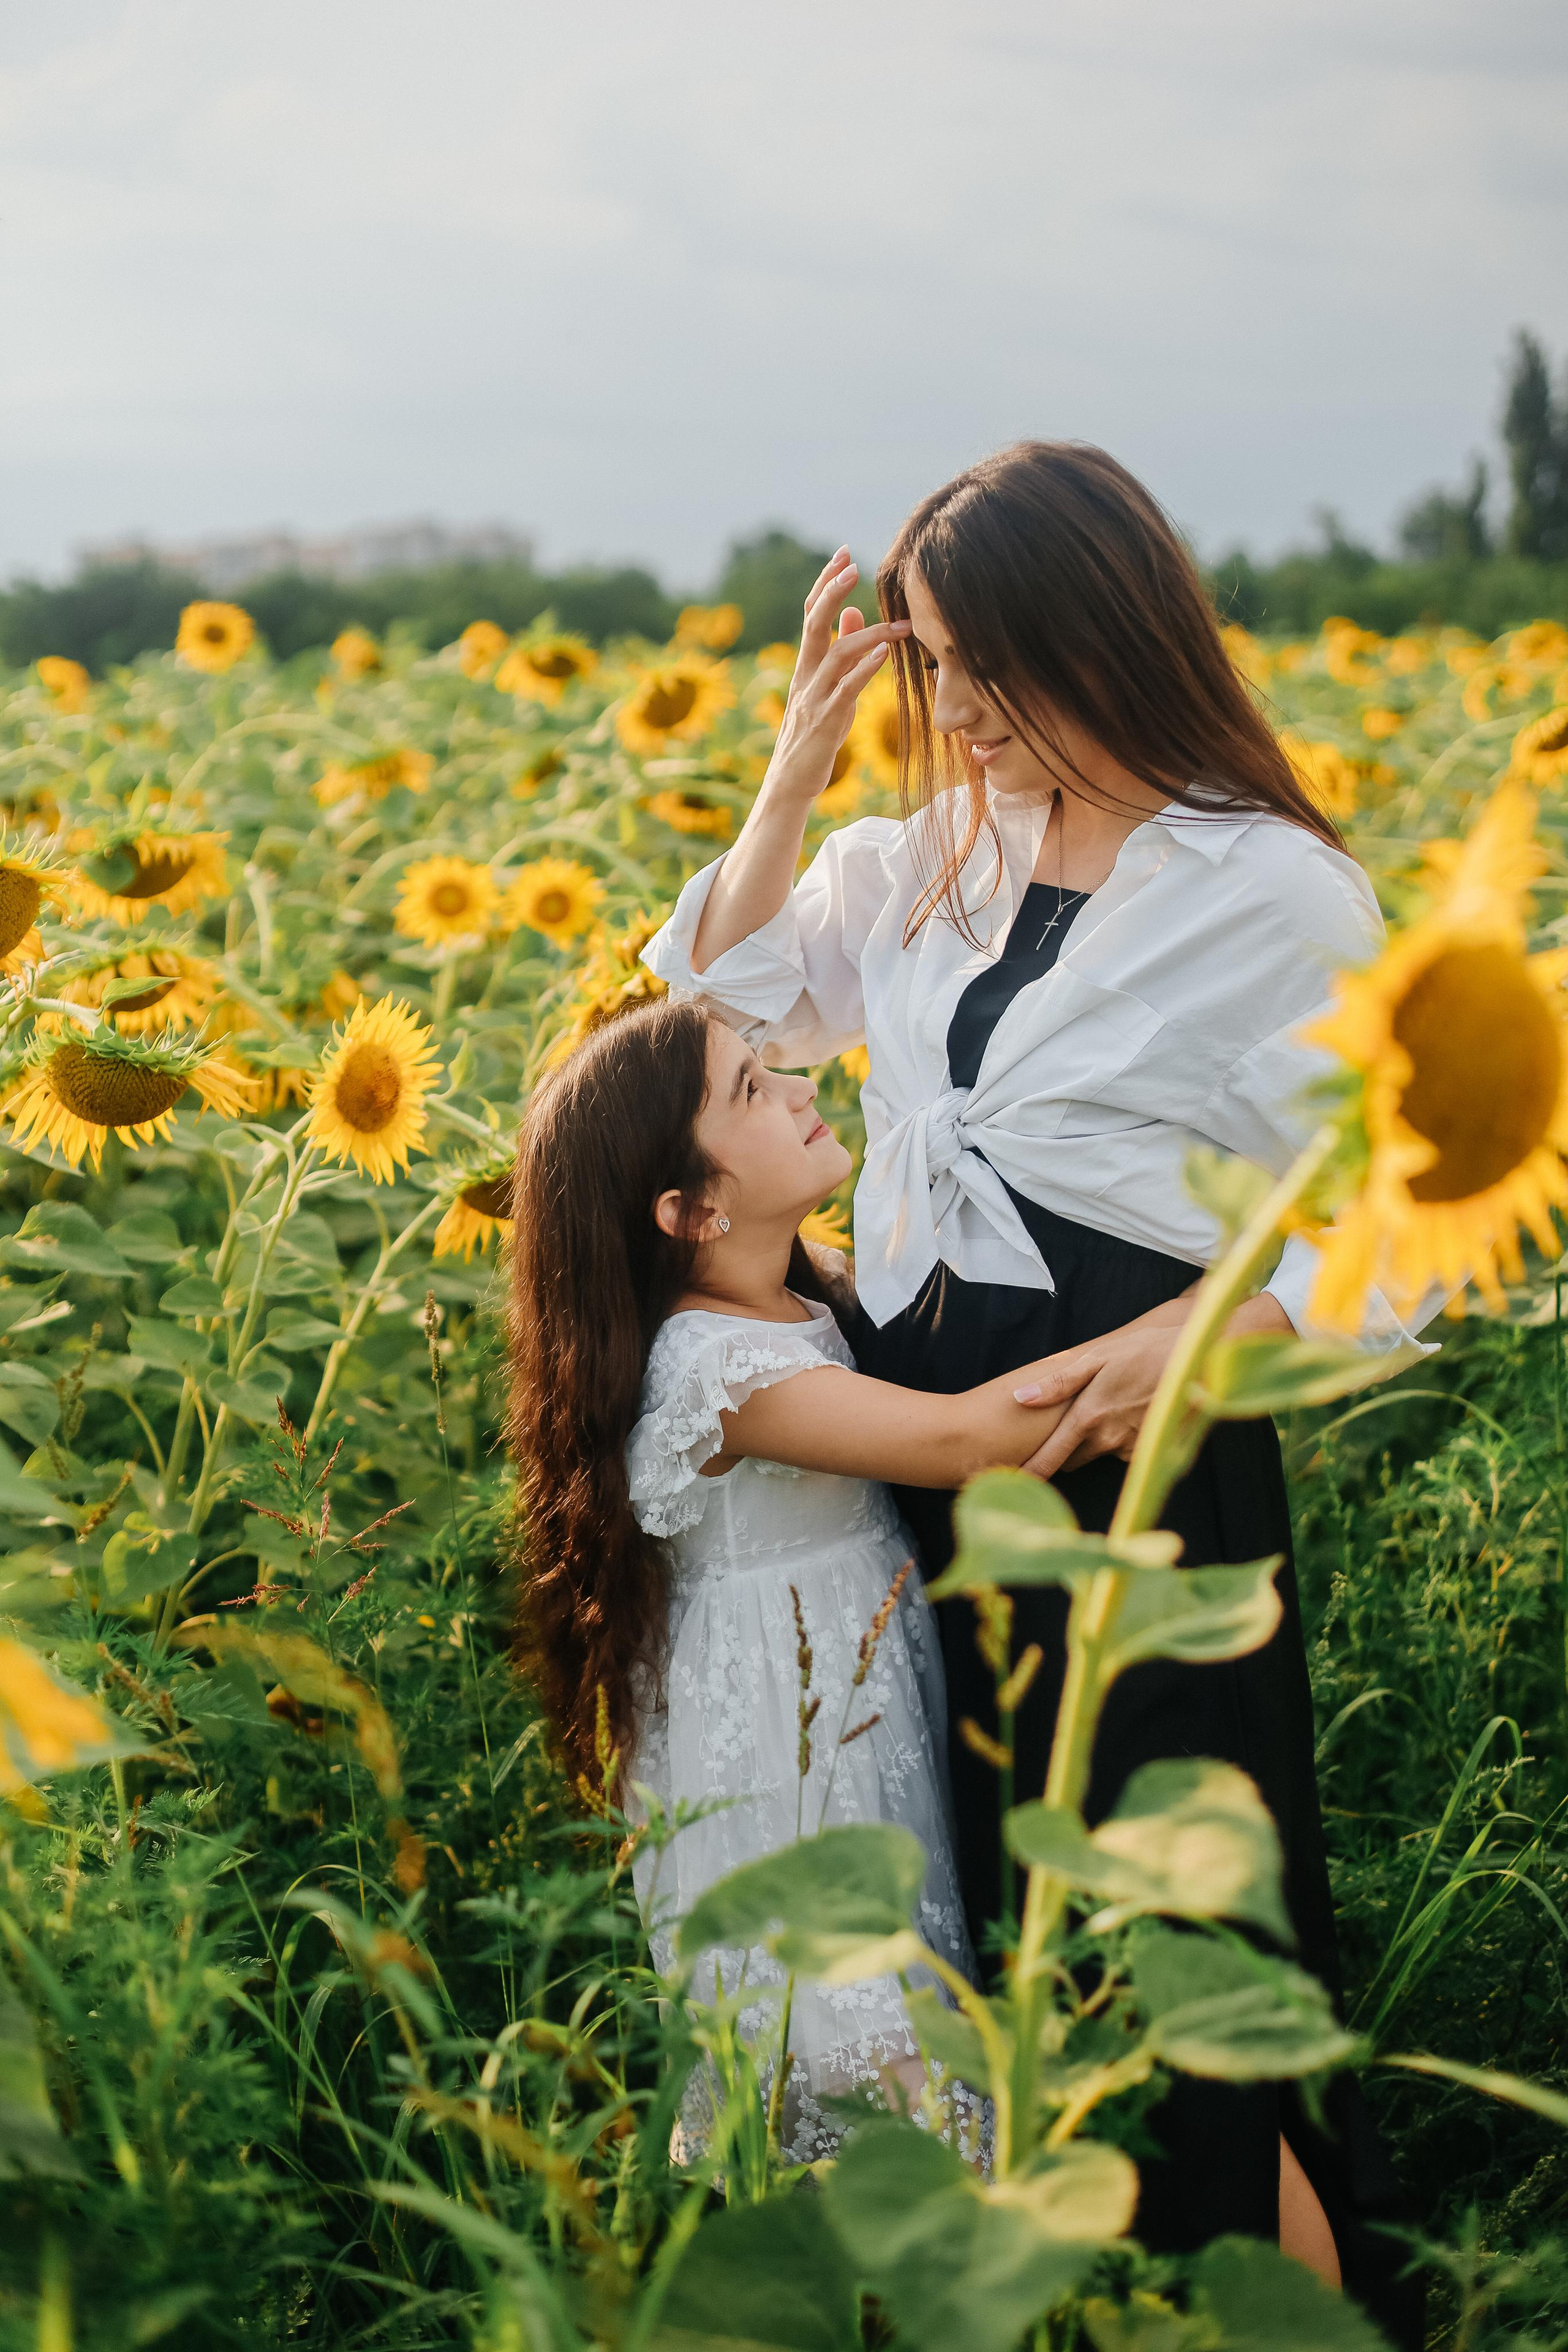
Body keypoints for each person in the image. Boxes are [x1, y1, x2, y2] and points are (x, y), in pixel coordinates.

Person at [640, 442, 1428, 2339]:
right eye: (935, 666)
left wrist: (1188, 1345)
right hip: (915, 1478)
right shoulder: (914, 862)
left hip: (1134, 1482)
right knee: (997, 1941)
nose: (966, 715)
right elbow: (717, 1022)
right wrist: (795, 774)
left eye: (1000, 665)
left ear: (1112, 634)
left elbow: (1397, 1217)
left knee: (1179, 1937)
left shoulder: (1277, 898)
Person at [508, 995, 1068, 2164]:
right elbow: (968, 1441)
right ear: (692, 1210)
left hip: (855, 1691)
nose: (805, 1087)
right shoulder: (716, 1365)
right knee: (870, 2055)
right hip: (782, 1736)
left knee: (915, 2005)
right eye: (754, 1091)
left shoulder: (803, 1288)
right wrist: (1192, 1331)